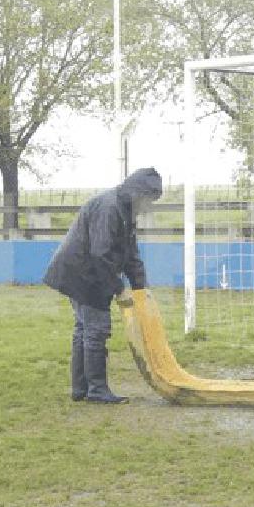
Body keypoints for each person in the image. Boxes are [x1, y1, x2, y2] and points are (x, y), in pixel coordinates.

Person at [43, 168, 163, 403]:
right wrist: (119, 289)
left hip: (85, 272)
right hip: (83, 274)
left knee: (84, 330)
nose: (149, 206)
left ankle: (81, 389)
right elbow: (101, 253)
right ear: (138, 193)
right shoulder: (109, 208)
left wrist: (142, 288)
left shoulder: (126, 210)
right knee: (96, 330)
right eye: (150, 199)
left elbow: (130, 254)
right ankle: (96, 390)